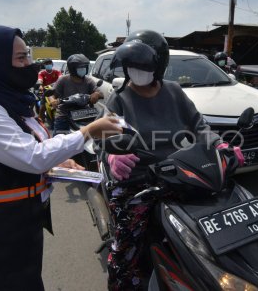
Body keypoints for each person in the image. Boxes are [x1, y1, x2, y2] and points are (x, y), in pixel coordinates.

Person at [0, 25, 122, 291]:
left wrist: (57, 161)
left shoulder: (7, 98)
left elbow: (28, 148)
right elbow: (33, 157)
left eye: (28, 55)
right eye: (20, 58)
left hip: (21, 221)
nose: (30, 64)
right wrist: (88, 131)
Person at [104, 30, 243, 290]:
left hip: (180, 174)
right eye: (131, 65)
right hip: (139, 179)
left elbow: (200, 126)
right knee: (127, 243)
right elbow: (105, 136)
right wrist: (113, 156)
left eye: (142, 65)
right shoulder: (119, 99)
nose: (136, 71)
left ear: (158, 65)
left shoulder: (174, 91)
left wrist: (221, 145)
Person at [48, 53, 103, 135]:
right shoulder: (63, 80)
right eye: (81, 67)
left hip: (84, 113)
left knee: (97, 134)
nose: (84, 69)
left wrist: (96, 94)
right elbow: (52, 95)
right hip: (64, 114)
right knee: (58, 139)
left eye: (85, 67)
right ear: (72, 69)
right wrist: (53, 101)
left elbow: (100, 93)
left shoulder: (89, 81)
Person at [36, 58, 61, 123]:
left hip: (56, 92)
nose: (48, 65)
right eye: (46, 64)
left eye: (49, 63)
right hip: (46, 92)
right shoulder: (42, 73)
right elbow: (40, 79)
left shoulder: (57, 72)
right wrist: (41, 86)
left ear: (52, 64)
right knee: (42, 108)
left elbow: (61, 78)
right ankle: (41, 122)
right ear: (44, 65)